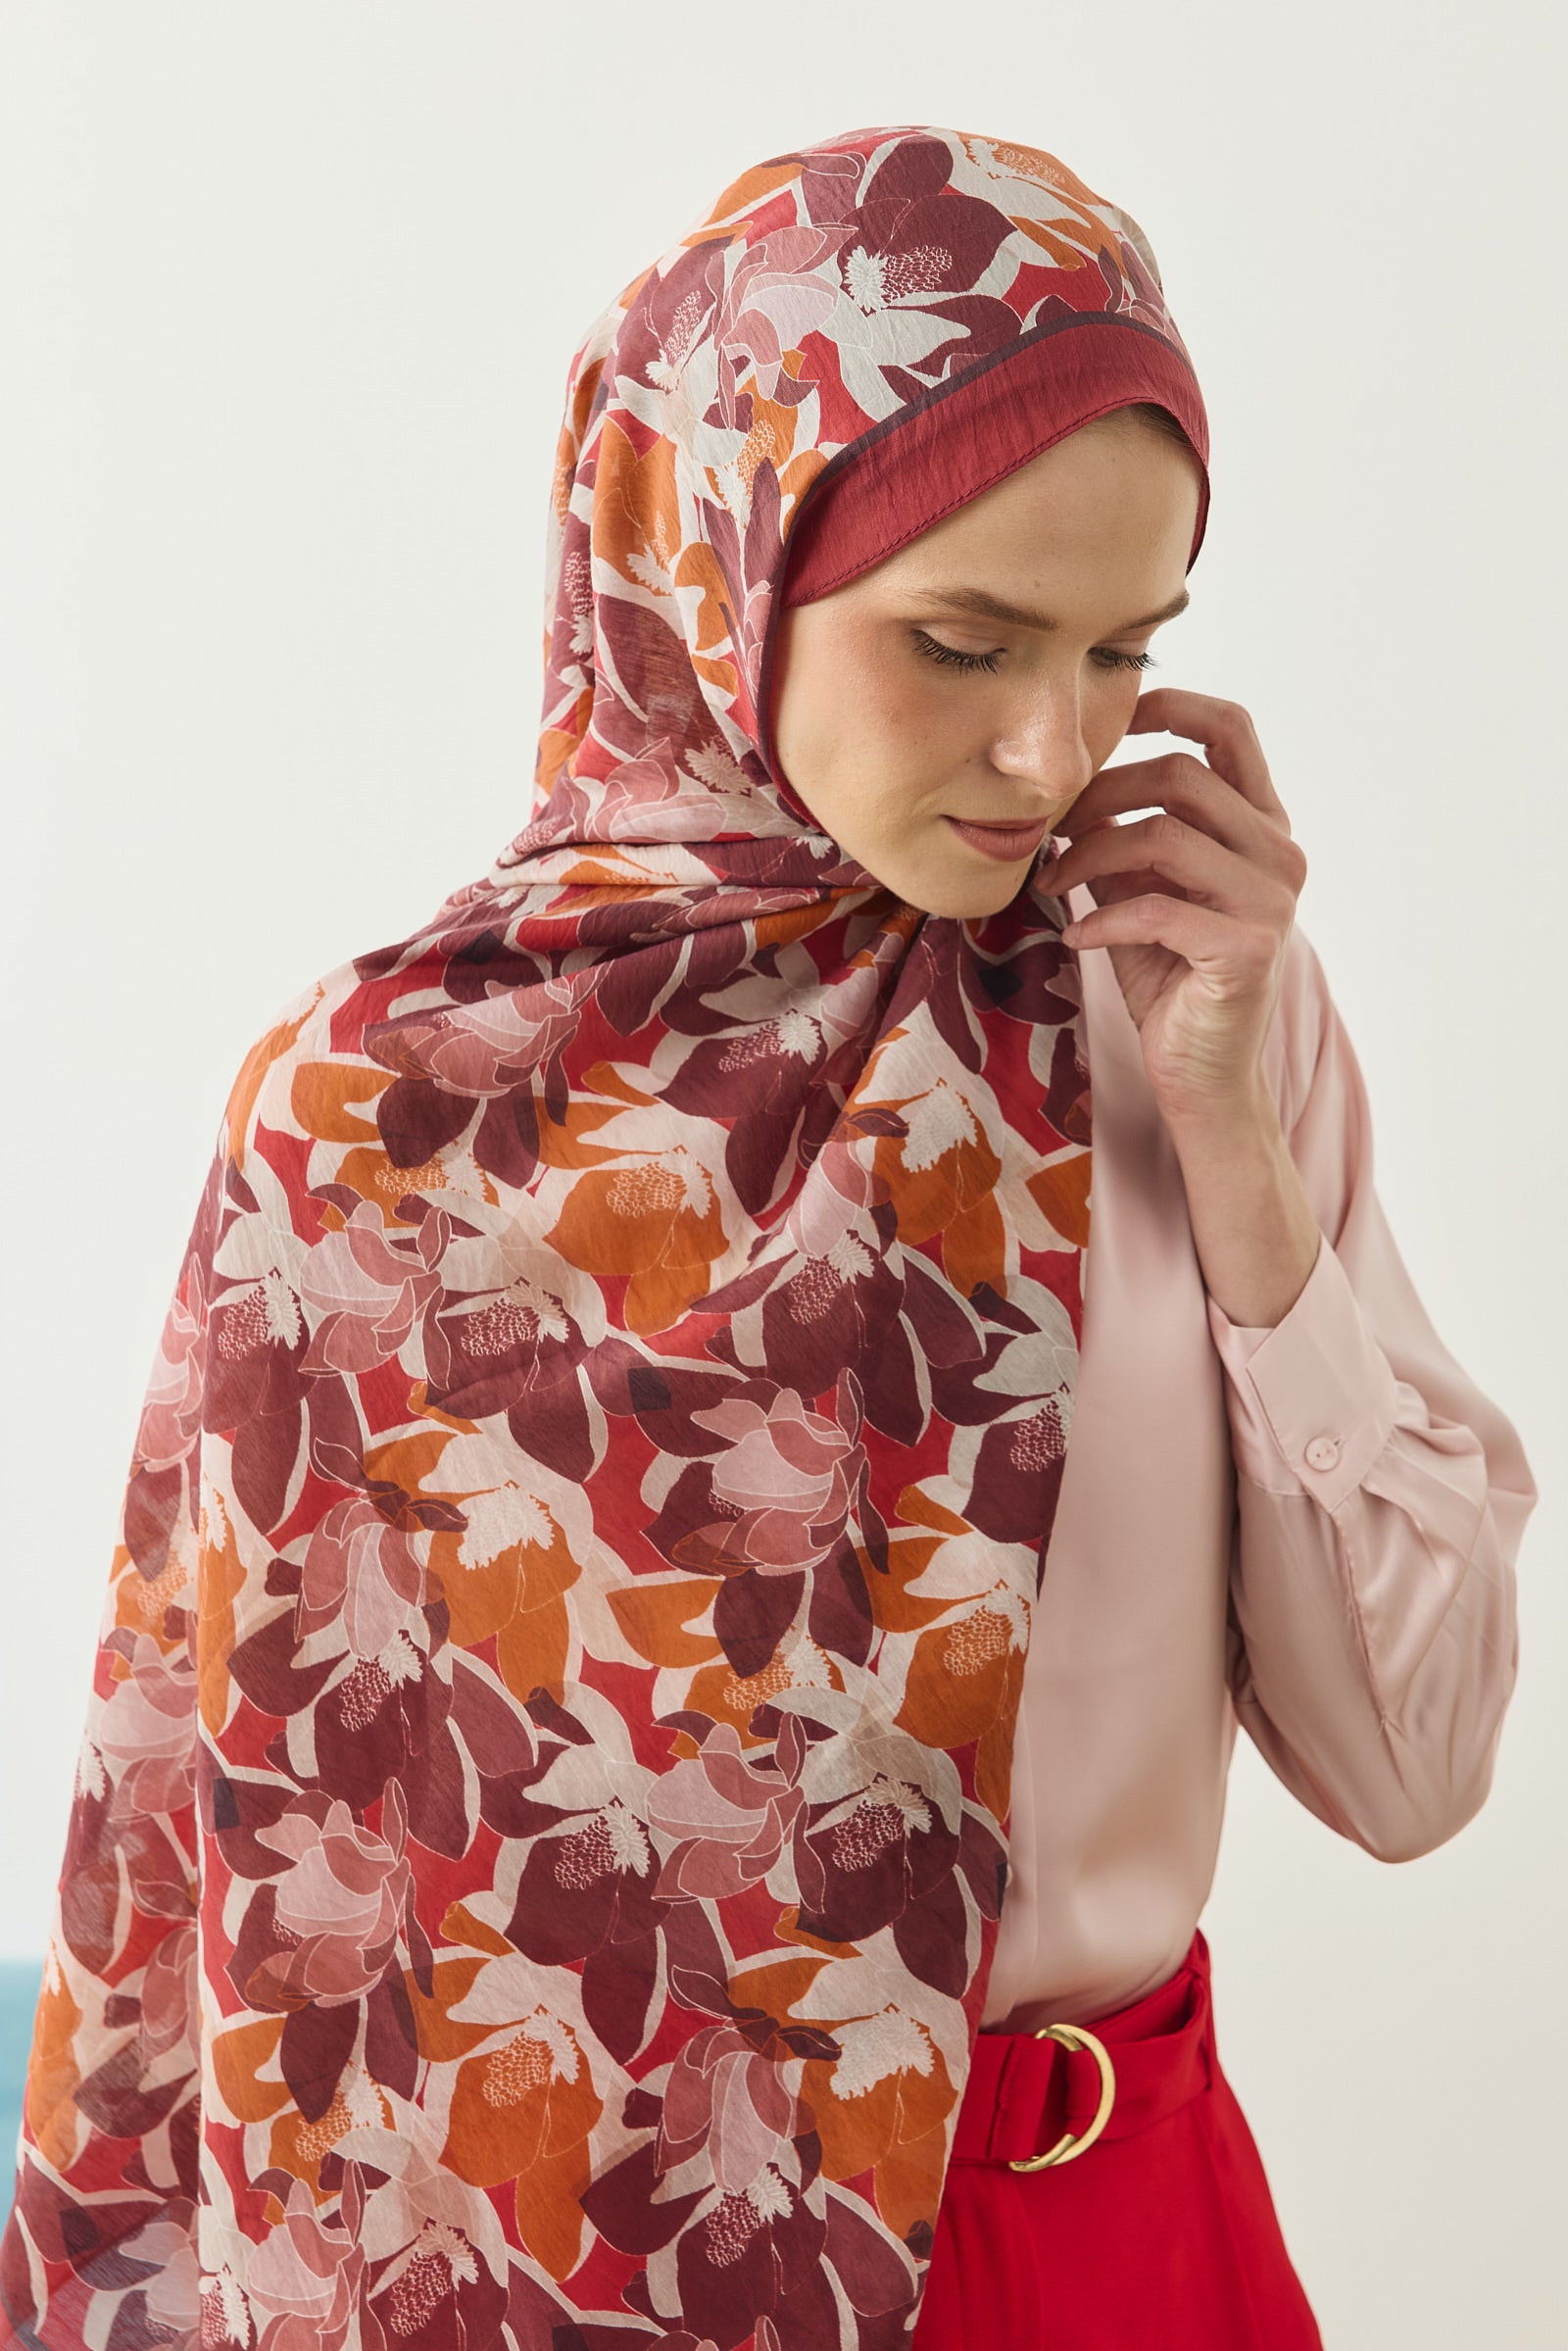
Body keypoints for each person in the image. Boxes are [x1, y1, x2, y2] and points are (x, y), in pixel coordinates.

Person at [0, 123, 1537, 2351]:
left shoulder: (1183, 1009)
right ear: (717, 561)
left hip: (1105, 2241)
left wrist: (1234, 1147)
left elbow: (1411, 1773)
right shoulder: (377, 1118)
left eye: (1124, 652)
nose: (1049, 750)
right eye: (962, 642)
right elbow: (228, 1914)